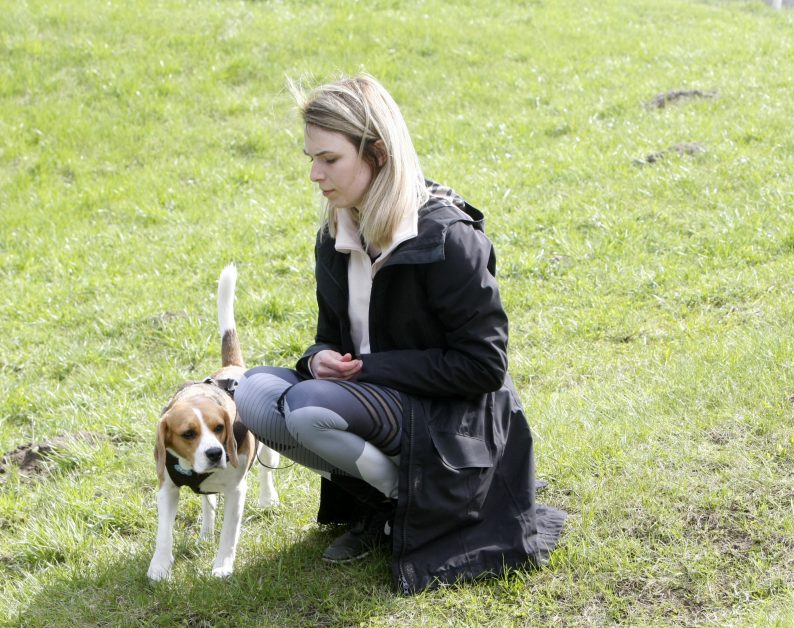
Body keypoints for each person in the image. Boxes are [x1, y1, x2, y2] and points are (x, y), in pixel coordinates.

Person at [234, 73, 564, 594]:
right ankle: (382, 507)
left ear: (378, 153)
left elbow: (484, 367)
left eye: (329, 159)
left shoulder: (450, 239)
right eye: (311, 159)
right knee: (252, 394)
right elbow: (332, 336)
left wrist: (368, 369)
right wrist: (319, 357)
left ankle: (408, 509)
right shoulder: (335, 237)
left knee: (309, 407)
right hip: (369, 398)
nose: (316, 174)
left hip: (450, 419)